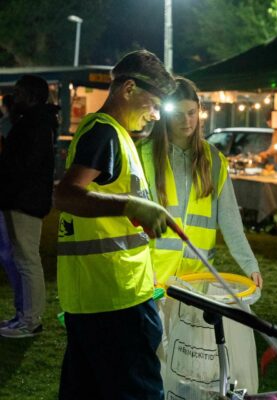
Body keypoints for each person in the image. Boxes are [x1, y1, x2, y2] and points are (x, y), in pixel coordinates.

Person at [54, 50, 176, 400]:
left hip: (94, 297)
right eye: (153, 104)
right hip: (116, 301)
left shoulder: (116, 136)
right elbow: (65, 196)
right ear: (128, 89)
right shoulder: (105, 133)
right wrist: (130, 204)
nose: (154, 115)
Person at [137, 77, 263, 395]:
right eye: (178, 113)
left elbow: (231, 223)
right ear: (164, 114)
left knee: (188, 363)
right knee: (153, 360)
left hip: (197, 285)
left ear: (200, 112)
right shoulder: (143, 154)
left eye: (192, 112)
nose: (187, 121)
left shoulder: (213, 161)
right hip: (153, 282)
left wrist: (249, 264)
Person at [0, 75, 59, 338]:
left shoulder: (35, 124)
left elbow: (24, 166)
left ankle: (31, 321)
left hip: (25, 201)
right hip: (23, 199)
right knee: (23, 260)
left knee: (27, 261)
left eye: (20, 93)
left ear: (32, 96)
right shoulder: (34, 121)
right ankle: (24, 316)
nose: (15, 97)